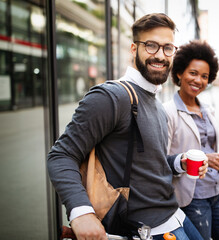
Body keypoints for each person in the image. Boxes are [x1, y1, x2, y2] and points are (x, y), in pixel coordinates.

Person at [47, 13, 207, 240]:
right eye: (151, 46)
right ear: (134, 49)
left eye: (168, 48)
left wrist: (179, 163)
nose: (160, 55)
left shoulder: (157, 105)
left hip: (176, 217)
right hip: (148, 231)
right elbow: (61, 155)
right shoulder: (112, 96)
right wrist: (81, 212)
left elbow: (151, 166)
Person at [163, 40, 219, 240]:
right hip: (193, 197)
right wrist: (204, 159)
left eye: (204, 76)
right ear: (179, 73)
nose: (198, 80)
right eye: (193, 73)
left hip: (217, 190)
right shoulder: (168, 112)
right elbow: (162, 160)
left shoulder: (208, 109)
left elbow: (207, 147)